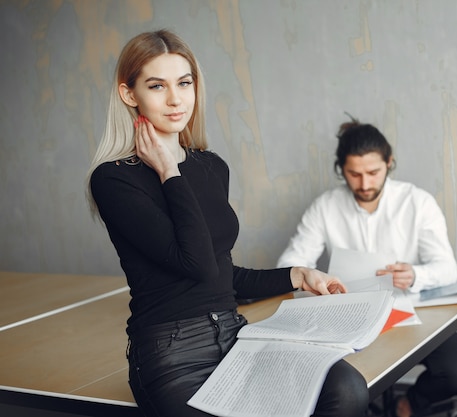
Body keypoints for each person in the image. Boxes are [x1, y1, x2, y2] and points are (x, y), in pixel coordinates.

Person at [86, 30, 369, 417]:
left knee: (347, 390)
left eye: (184, 83)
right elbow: (196, 262)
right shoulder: (114, 179)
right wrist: (169, 171)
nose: (175, 99)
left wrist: (299, 275)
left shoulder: (210, 166)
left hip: (236, 337)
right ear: (129, 94)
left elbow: (220, 275)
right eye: (157, 86)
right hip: (172, 358)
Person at [277, 118, 457, 417]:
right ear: (340, 168)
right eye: (354, 174)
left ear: (389, 163)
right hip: (348, 315)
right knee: (346, 387)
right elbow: (288, 264)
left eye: (373, 172)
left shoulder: (418, 202)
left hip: (410, 311)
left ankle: (410, 404)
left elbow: (448, 269)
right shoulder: (325, 207)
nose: (365, 184)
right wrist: (308, 276)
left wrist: (415, 274)